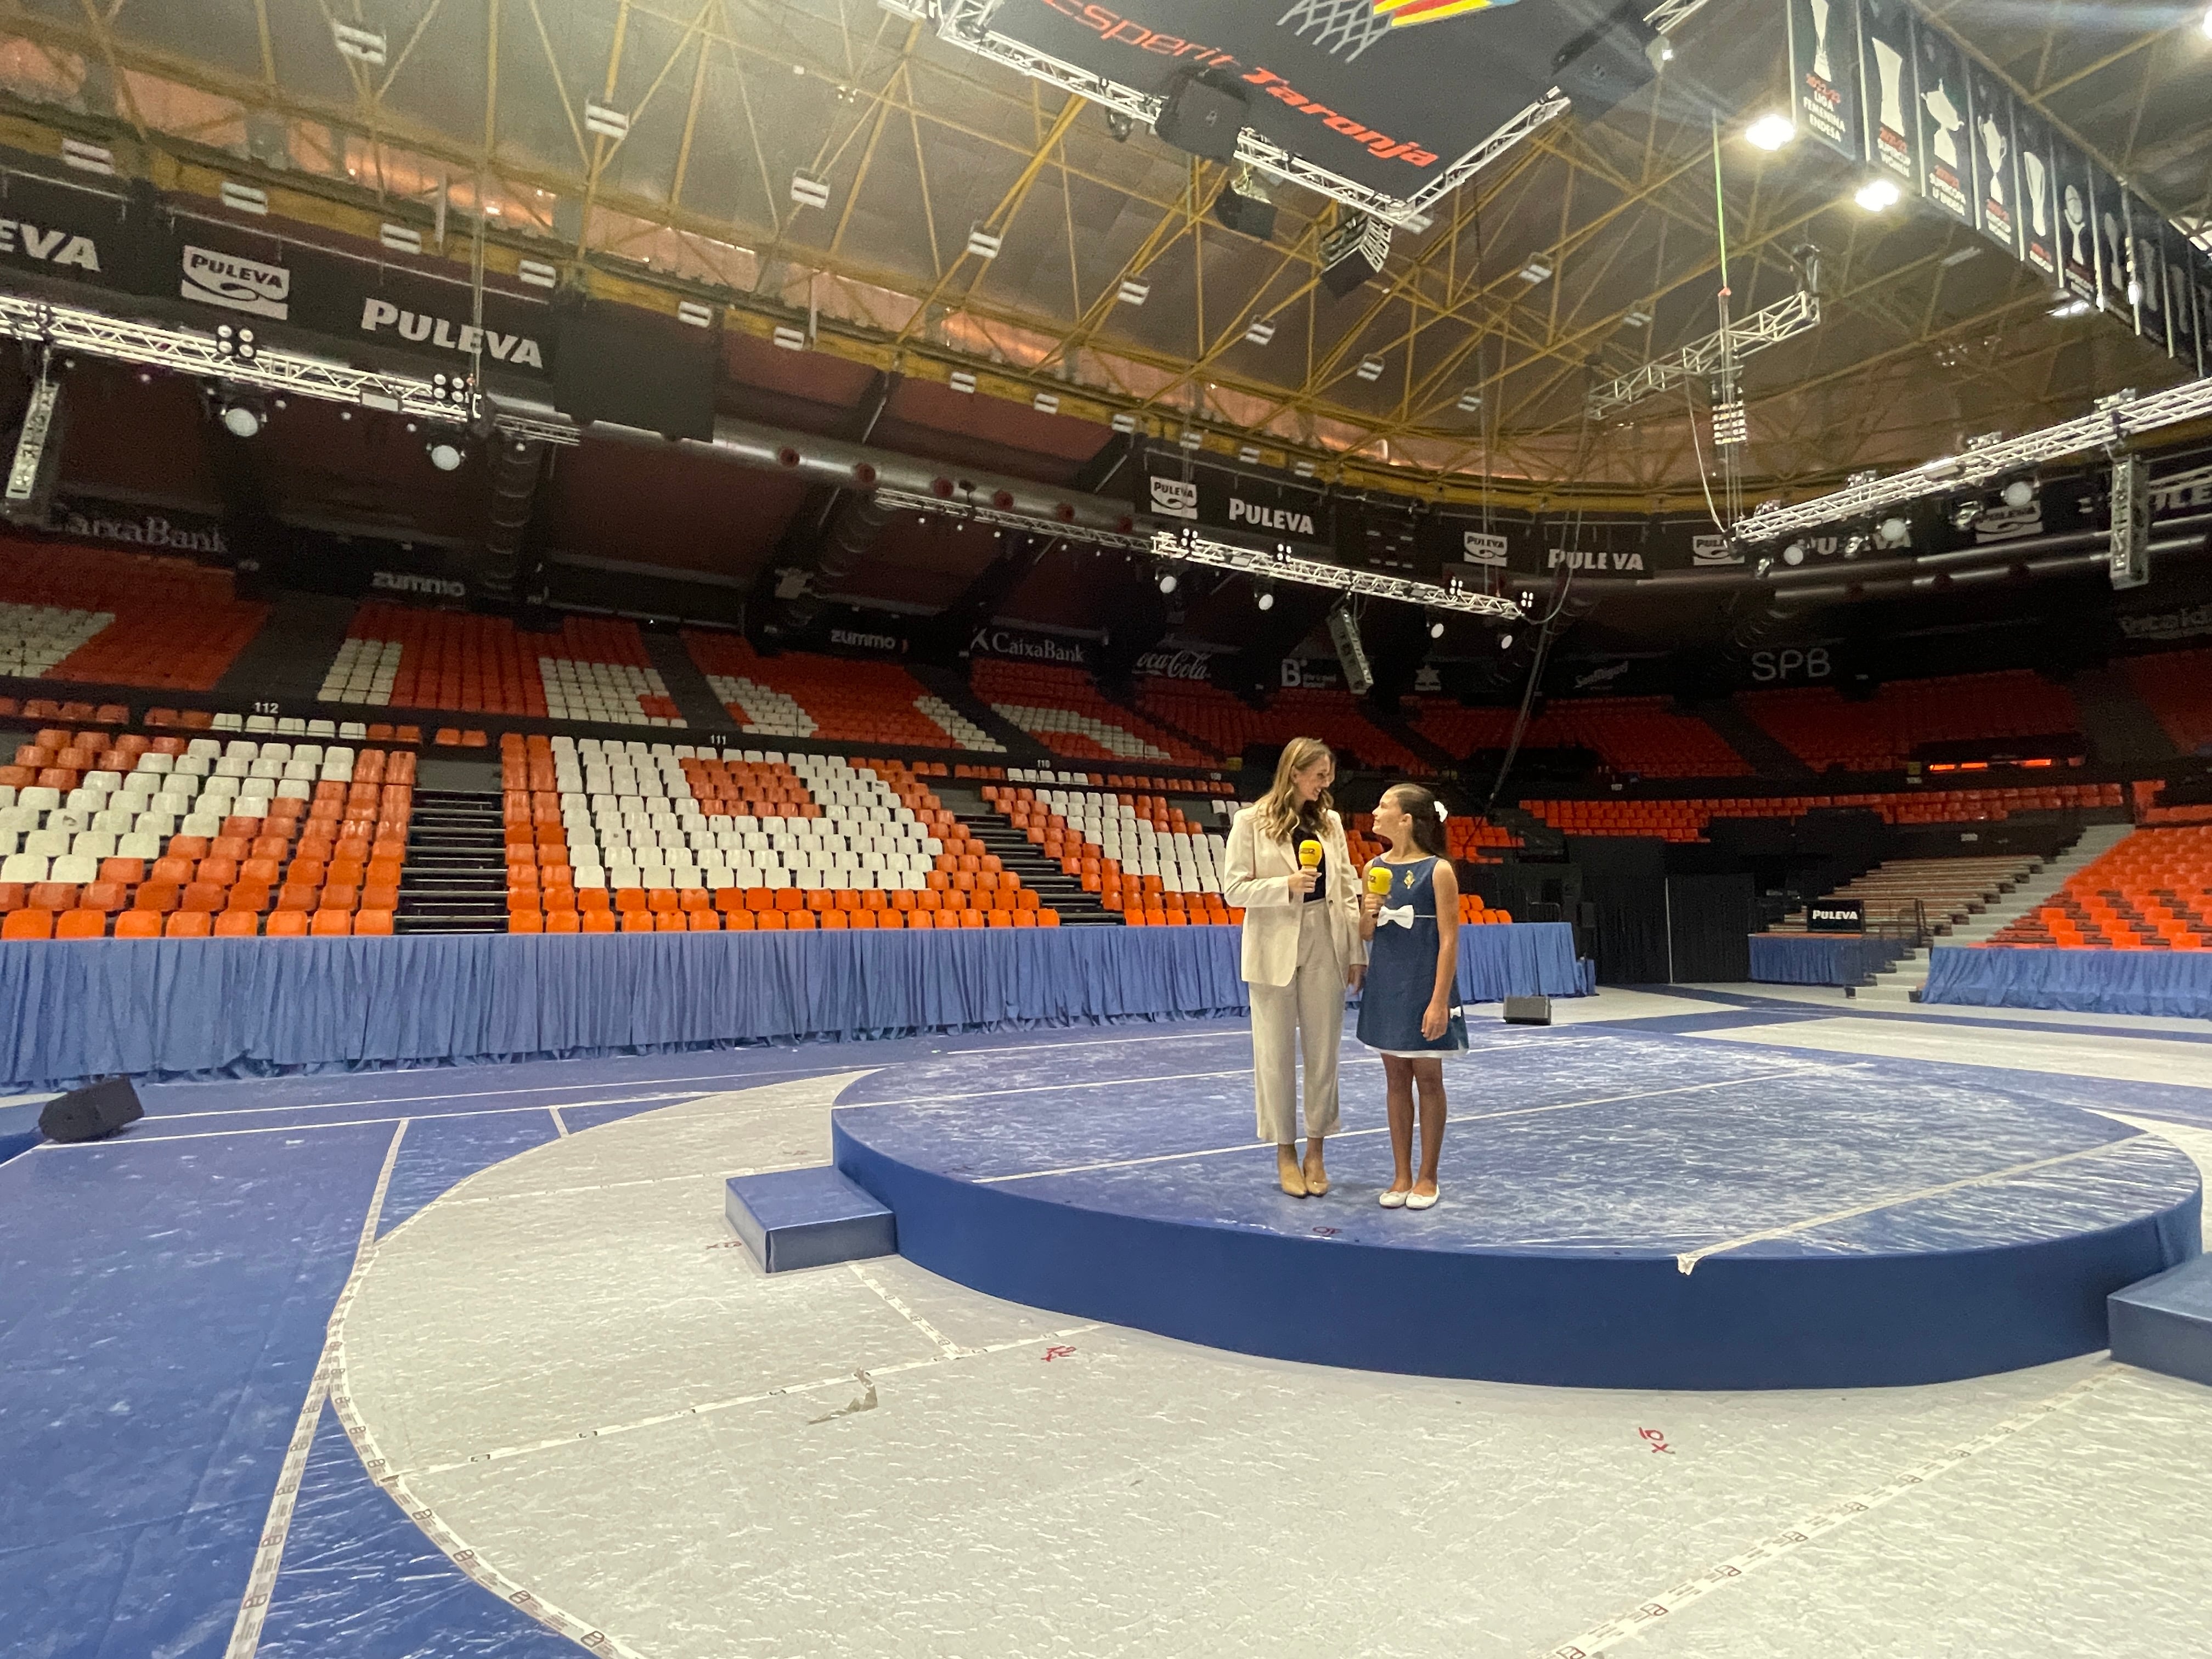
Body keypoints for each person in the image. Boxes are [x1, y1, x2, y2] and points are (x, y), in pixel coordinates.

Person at [1224, 737, 1365, 1198]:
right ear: (1294, 773)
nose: (1326, 783)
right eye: (1319, 775)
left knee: (1325, 1053)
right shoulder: (1250, 821)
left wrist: (1355, 952)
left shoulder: (1332, 823)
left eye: (1329, 775)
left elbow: (1346, 887)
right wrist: (1284, 884)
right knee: (1275, 1055)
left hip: (1326, 936)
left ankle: (1316, 1151)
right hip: (1273, 943)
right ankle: (1285, 1152)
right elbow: (1234, 889)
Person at [1356, 782, 1464, 1211]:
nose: (1375, 811)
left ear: (1406, 820)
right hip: (1387, 982)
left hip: (1424, 982)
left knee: (1429, 1079)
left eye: (1384, 805)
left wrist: (1439, 1000)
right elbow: (1366, 935)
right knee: (1396, 1080)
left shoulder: (1439, 870)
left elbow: (1450, 940)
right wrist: (1367, 912)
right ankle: (1401, 1174)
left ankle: (1427, 1176)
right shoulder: (1372, 867)